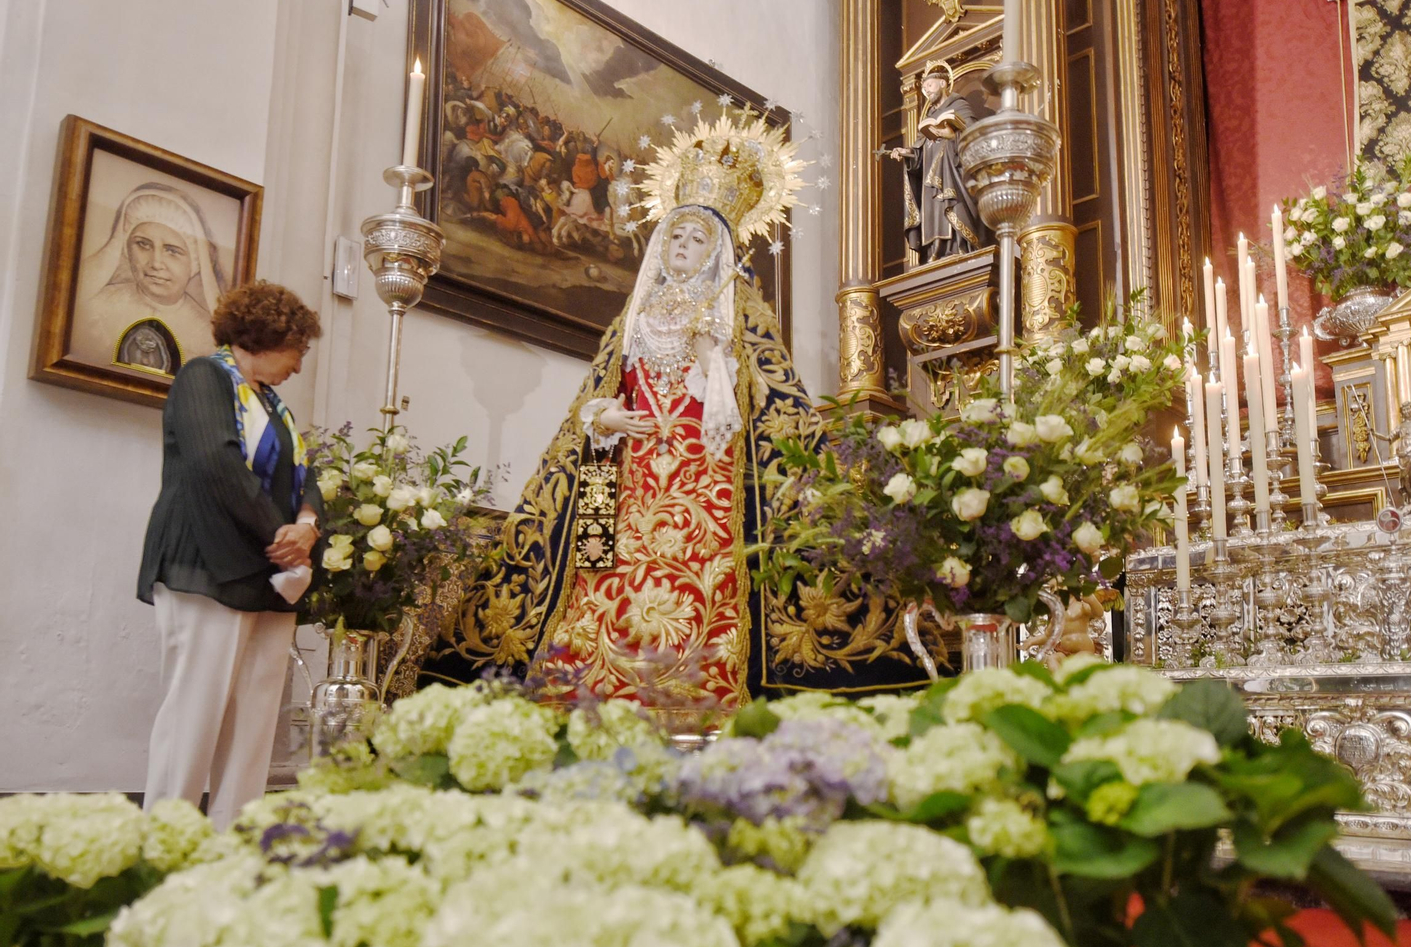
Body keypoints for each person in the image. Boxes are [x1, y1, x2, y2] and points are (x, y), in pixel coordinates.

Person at [425, 114, 925, 706]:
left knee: (703, 580)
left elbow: (769, 409)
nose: (684, 248)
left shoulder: (741, 316)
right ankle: (589, 691)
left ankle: (698, 693)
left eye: (698, 241)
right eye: (677, 237)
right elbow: (595, 402)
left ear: (718, 252)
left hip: (707, 476)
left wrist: (717, 359)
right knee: (603, 574)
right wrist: (604, 419)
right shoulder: (630, 320)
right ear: (660, 244)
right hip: (627, 476)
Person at [138, 281, 324, 825]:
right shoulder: (203, 377)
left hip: (266, 574)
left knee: (254, 720)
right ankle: (165, 844)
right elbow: (213, 465)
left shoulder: (273, 404)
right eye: (300, 349)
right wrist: (282, 538)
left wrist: (308, 526)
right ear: (273, 336)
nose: (299, 363)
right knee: (194, 713)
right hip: (206, 564)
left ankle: (234, 839)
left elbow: (305, 475)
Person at [74, 182, 226, 368]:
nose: (155, 263)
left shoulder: (207, 335)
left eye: (172, 251)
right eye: (143, 244)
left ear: (193, 263)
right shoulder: (95, 308)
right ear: (126, 249)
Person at [889, 59, 984, 263]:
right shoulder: (930, 116)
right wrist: (906, 152)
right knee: (934, 212)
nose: (927, 91)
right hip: (931, 182)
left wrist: (952, 136)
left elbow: (974, 138)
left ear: (942, 83)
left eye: (929, 85)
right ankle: (936, 250)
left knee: (951, 206)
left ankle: (959, 246)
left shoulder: (959, 105)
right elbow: (920, 155)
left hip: (952, 174)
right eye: (923, 88)